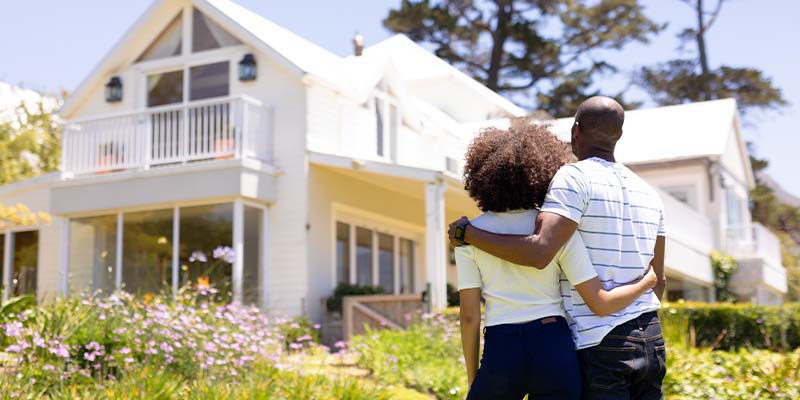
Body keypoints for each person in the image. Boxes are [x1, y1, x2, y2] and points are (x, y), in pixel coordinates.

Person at [450, 96, 668, 400]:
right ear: (619, 135)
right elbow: (659, 280)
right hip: (647, 338)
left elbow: (540, 251)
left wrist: (469, 234)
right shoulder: (649, 193)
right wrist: (645, 285)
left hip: (596, 341)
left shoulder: (574, 179)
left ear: (576, 130)